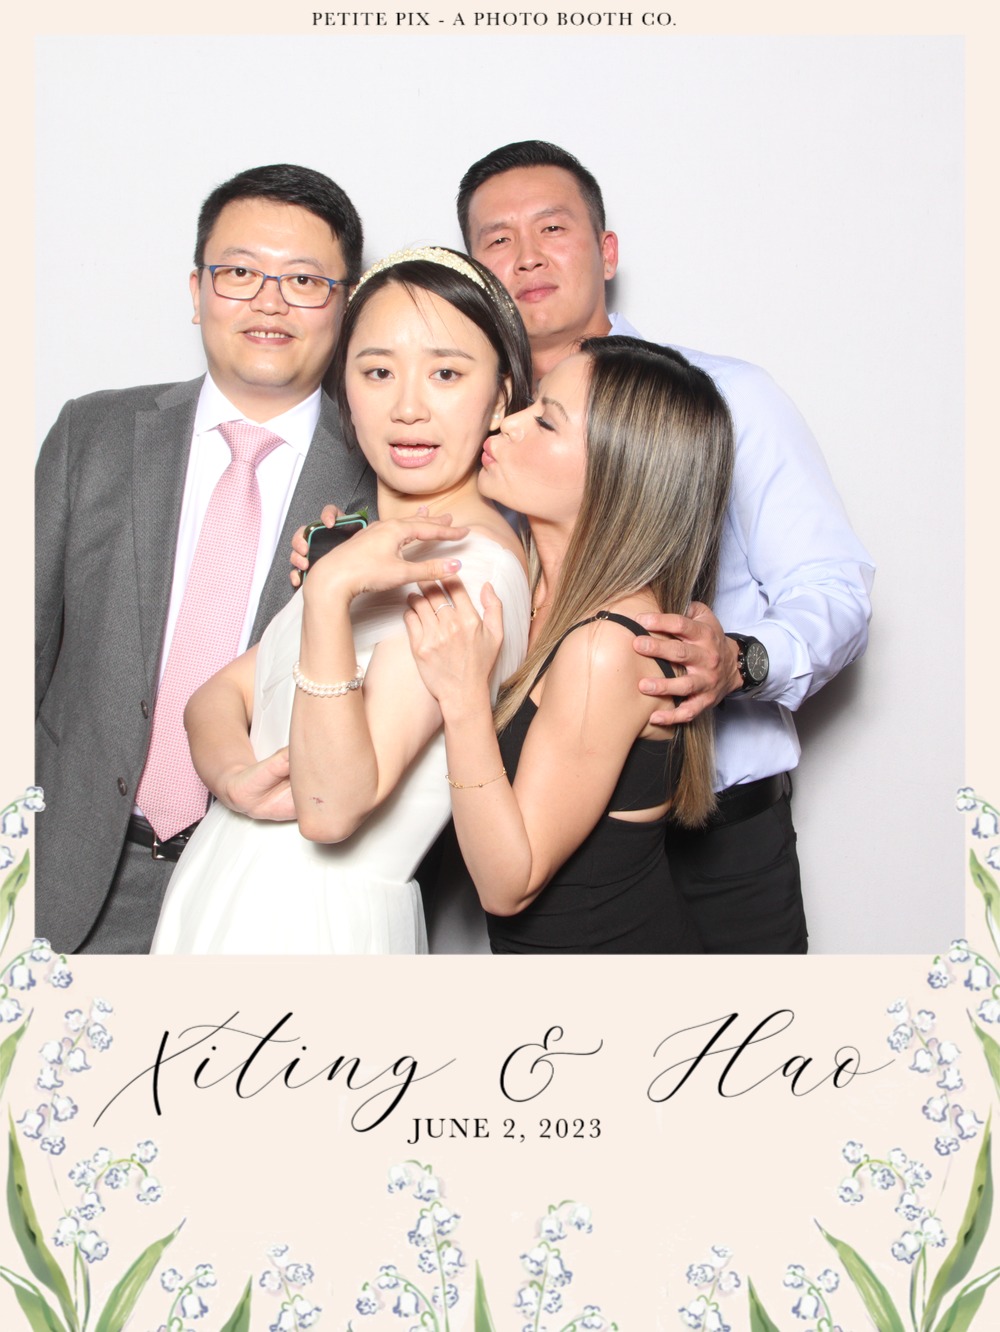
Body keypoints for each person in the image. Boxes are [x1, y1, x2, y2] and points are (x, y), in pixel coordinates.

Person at [455, 140, 875, 954]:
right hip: (543, 835)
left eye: (553, 227)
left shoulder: (725, 398)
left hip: (718, 835)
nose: (527, 255)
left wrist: (740, 662)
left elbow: (834, 586)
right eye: (497, 239)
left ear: (607, 252)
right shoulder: (486, 434)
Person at [150, 247, 532, 955]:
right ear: (346, 392)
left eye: (446, 374)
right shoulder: (369, 547)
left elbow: (330, 809)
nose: (408, 407)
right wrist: (236, 779)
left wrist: (327, 593)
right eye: (378, 372)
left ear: (501, 397)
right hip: (223, 894)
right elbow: (213, 697)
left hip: (311, 928)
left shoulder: (466, 572)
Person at [35, 163, 375, 955]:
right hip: (63, 874)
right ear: (197, 291)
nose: (269, 301)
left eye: (304, 280)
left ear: (347, 304)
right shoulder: (93, 436)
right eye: (240, 273)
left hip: (267, 897)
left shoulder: (383, 481)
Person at [399, 336, 732, 952]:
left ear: (617, 475)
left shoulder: (607, 646)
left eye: (546, 421)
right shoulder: (526, 584)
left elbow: (509, 884)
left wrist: (464, 698)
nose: (509, 421)